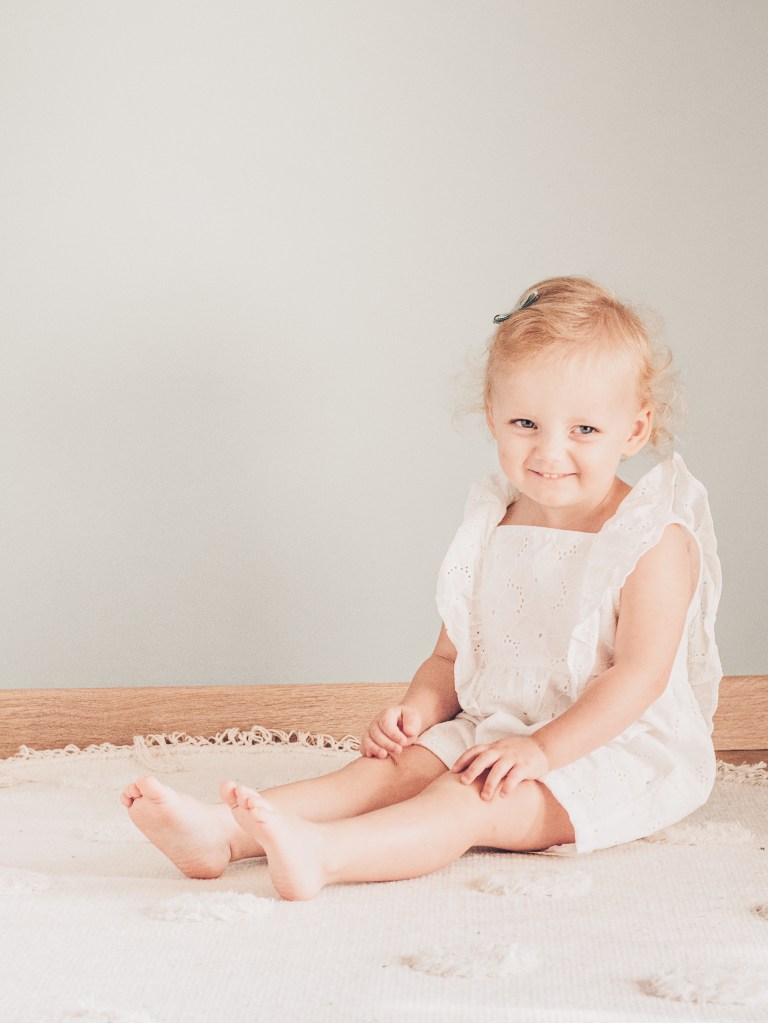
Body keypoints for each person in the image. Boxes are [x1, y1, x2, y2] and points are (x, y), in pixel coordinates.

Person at [121, 276, 721, 901]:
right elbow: (452, 656)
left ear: (634, 429)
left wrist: (540, 751)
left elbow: (639, 678)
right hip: (497, 724)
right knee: (387, 771)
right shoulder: (495, 521)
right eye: (525, 422)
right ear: (492, 416)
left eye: (584, 430)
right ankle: (221, 832)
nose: (550, 450)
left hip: (604, 749)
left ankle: (325, 854)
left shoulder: (651, 537)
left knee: (467, 799)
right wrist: (419, 710)